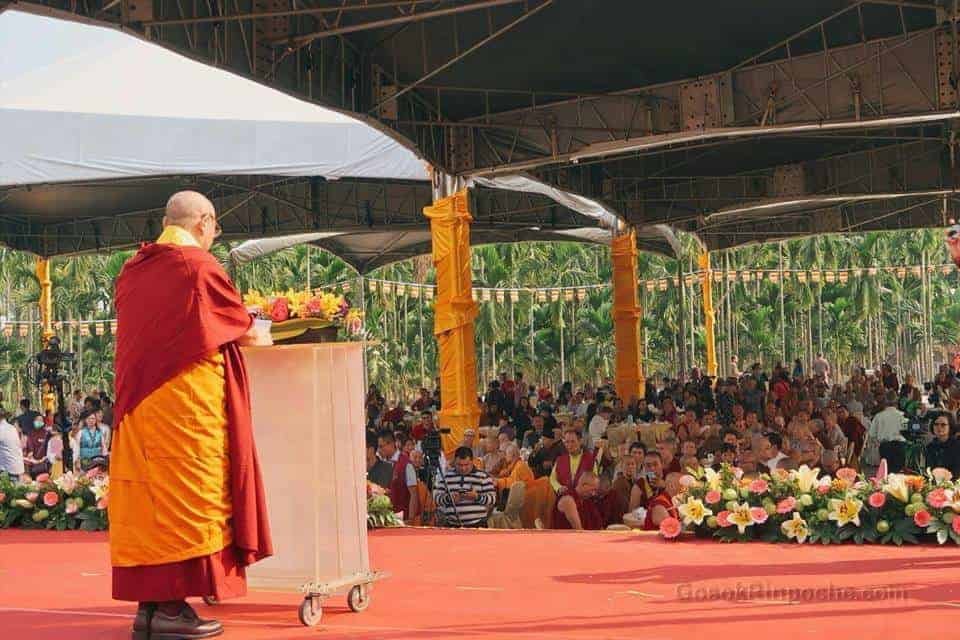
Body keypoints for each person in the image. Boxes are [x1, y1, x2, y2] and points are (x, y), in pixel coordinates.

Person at [109, 191, 272, 638]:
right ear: (204, 221)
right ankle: (169, 610)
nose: (214, 236)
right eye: (215, 228)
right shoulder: (197, 267)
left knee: (149, 502)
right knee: (186, 499)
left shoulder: (133, 269)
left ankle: (151, 608)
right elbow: (239, 327)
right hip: (182, 411)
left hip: (138, 411)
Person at [433, 447, 496, 528]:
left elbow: (492, 499)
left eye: (466, 465)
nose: (463, 468)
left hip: (478, 525)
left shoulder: (483, 476)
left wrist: (477, 497)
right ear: (454, 462)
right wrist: (449, 499)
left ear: (472, 462)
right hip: (452, 526)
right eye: (459, 465)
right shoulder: (446, 476)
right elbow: (436, 499)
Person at [550, 429, 600, 495]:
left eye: (573, 441)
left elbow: (594, 480)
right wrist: (559, 488)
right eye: (567, 442)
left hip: (584, 499)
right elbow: (552, 478)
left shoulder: (590, 459)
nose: (569, 445)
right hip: (564, 498)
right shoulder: (560, 459)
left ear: (580, 441)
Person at [0, 411, 24, 482]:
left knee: (9, 491)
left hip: (8, 469)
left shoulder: (1, 429)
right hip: (15, 467)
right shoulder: (11, 428)